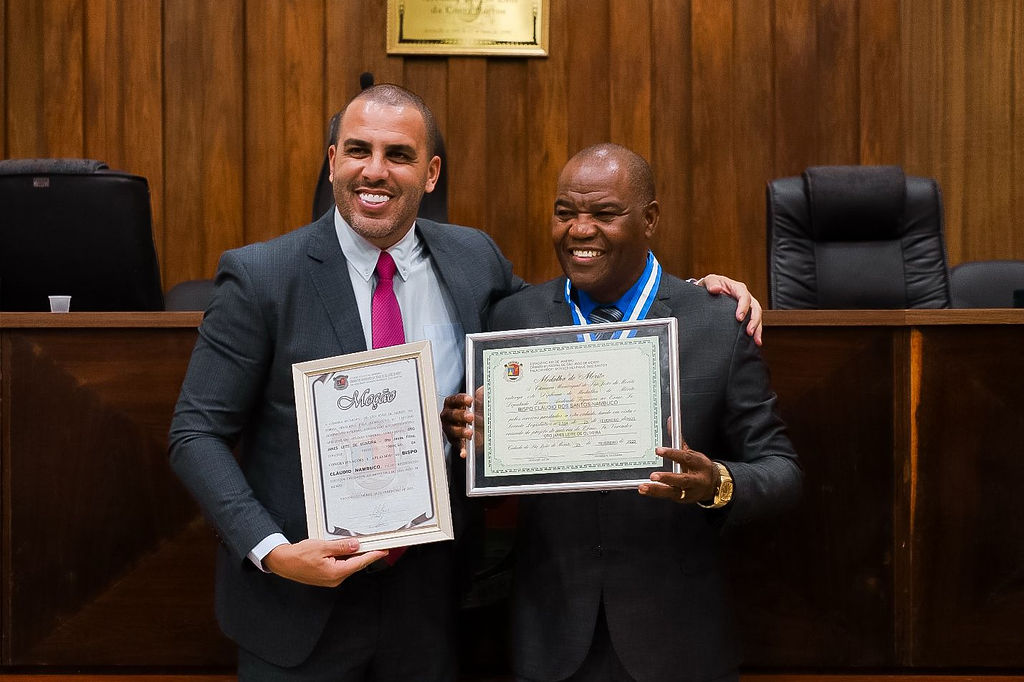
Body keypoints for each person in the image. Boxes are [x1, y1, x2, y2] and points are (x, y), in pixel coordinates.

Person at [169, 83, 763, 681]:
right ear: (332, 162)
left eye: (398, 155)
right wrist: (272, 551)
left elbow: (566, 318)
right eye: (357, 150)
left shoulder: (473, 260)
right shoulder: (261, 276)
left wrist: (692, 297)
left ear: (430, 174)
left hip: (429, 605)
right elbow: (196, 433)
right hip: (297, 606)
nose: (374, 171)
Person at [442, 143, 802, 682]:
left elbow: (782, 470)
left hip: (678, 642)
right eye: (565, 212)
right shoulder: (511, 321)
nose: (580, 230)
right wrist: (466, 438)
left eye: (604, 213)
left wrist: (716, 483)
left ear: (649, 219)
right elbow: (481, 478)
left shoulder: (714, 323)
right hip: (549, 637)